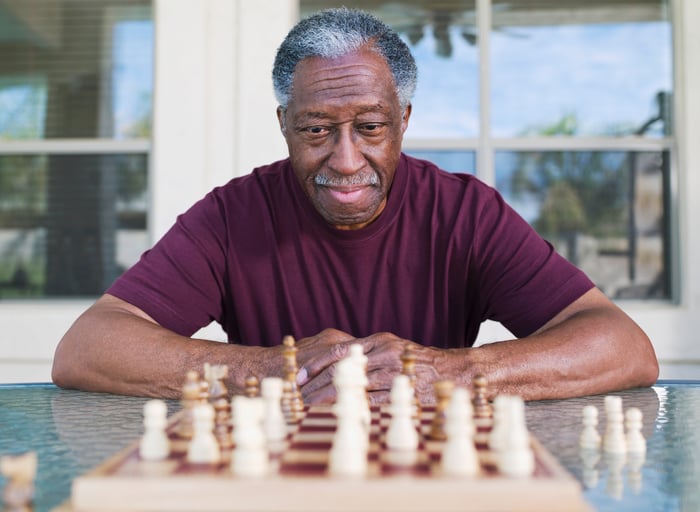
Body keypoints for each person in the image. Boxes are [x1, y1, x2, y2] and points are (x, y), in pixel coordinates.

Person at [51, 8, 658, 404]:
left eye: (370, 127)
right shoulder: (233, 215)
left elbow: (624, 346)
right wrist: (269, 370)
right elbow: (87, 348)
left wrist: (447, 374)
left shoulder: (464, 213)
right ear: (285, 125)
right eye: (317, 130)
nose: (345, 160)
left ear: (404, 122)